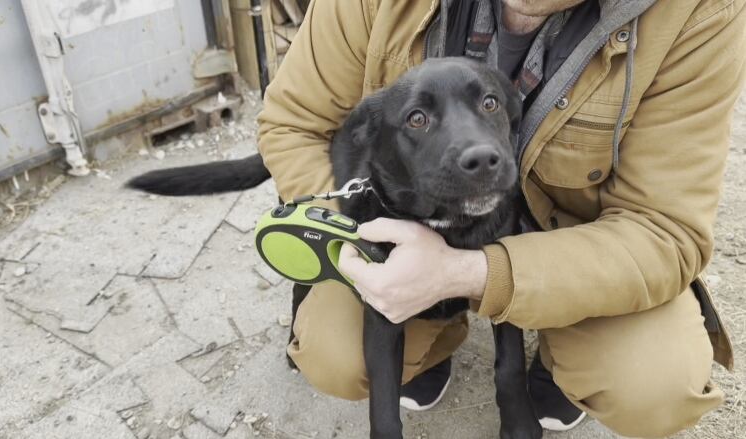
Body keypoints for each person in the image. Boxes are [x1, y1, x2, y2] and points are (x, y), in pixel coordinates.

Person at [256, 0, 746, 436]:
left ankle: (563, 363)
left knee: (652, 384)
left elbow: (664, 230)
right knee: (334, 354)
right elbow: (295, 124)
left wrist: (479, 273)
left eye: (490, 103)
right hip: (405, 214)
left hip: (578, 244)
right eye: (419, 118)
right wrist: (359, 233)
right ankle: (431, 343)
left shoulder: (698, 12)